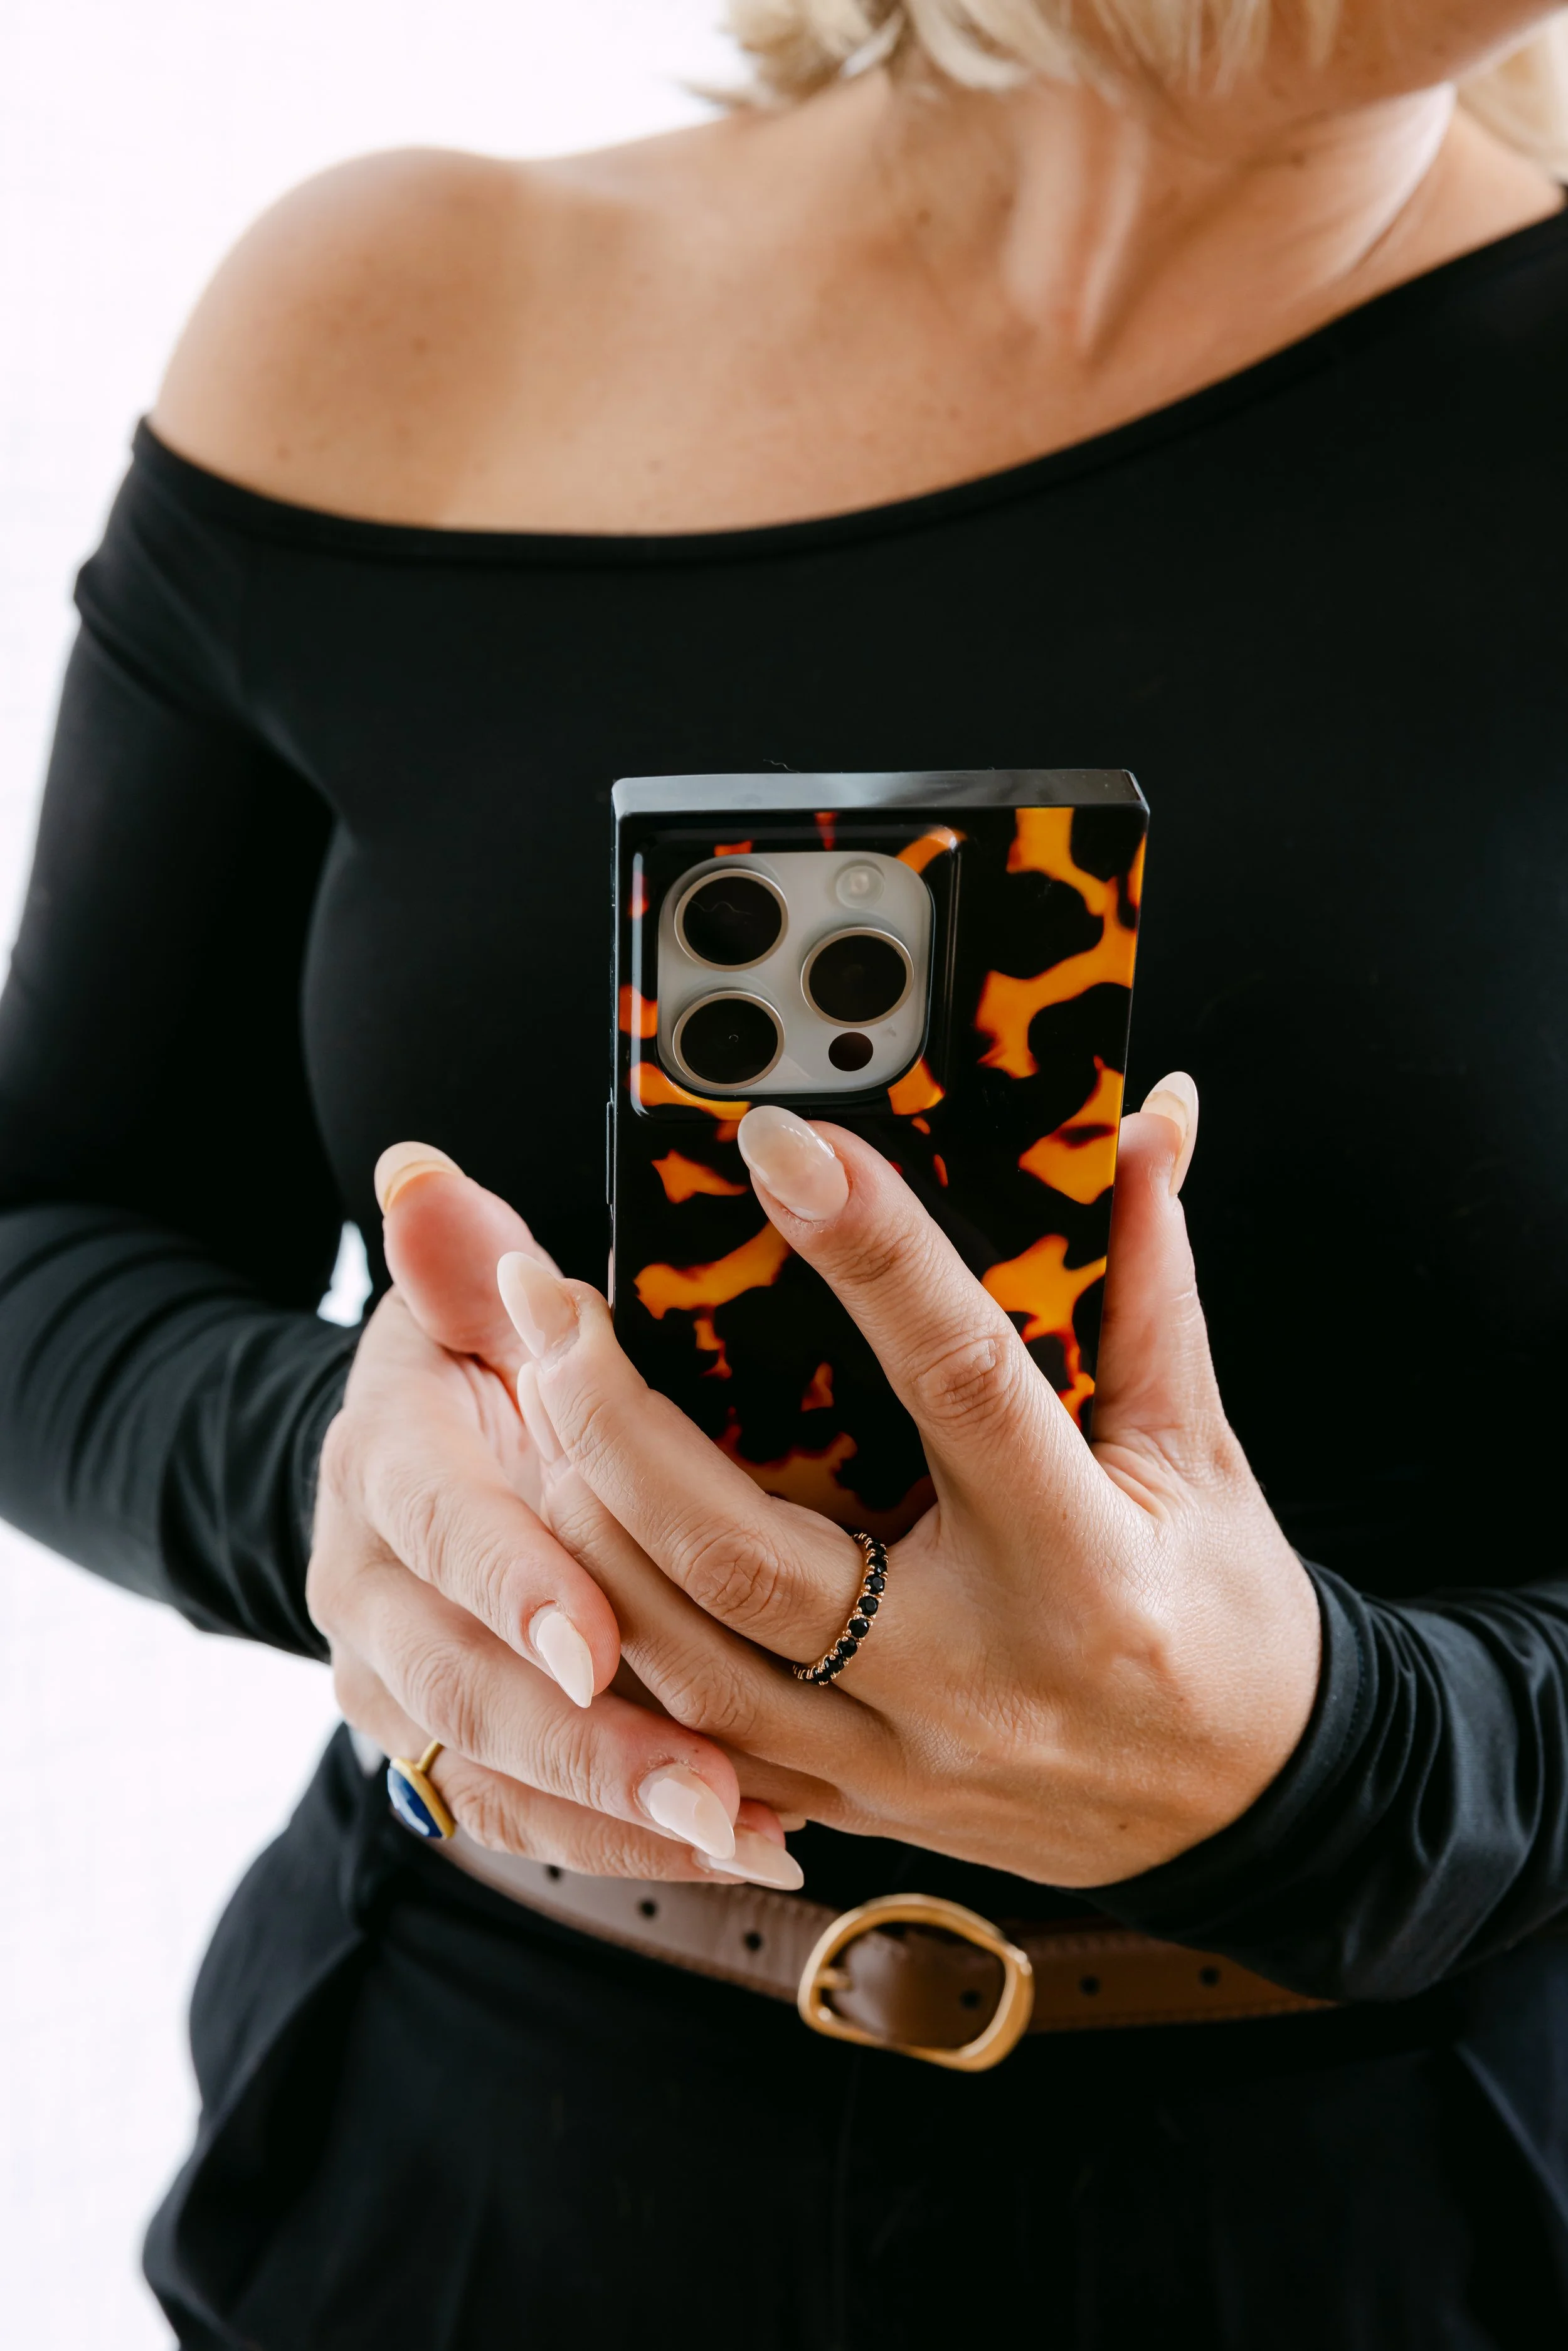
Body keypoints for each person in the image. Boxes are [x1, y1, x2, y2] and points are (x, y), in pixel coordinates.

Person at [4, 0, 1568, 2339]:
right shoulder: (390, 313)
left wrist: (1337, 1760)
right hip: (459, 2171)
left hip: (1389, 2215)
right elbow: (56, 1233)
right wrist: (349, 1476)